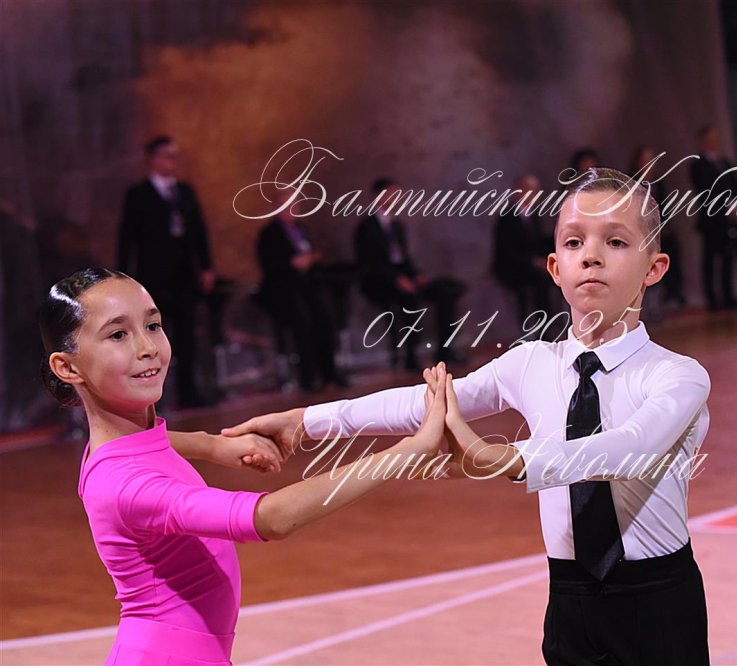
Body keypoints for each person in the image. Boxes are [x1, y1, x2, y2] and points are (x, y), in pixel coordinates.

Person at [226, 168, 712, 664]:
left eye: (615, 241)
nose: (590, 255)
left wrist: (507, 458)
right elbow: (423, 404)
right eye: (573, 242)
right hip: (569, 600)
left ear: (654, 268)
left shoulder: (678, 375)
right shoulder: (530, 364)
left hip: (658, 601)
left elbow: (630, 448)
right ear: (554, 267)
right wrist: (305, 421)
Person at [39, 267, 447, 665]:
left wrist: (214, 446)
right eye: (118, 335)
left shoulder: (113, 452)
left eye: (153, 325)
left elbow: (149, 448)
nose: (147, 347)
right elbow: (271, 518)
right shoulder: (125, 486)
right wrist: (409, 452)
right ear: (67, 367)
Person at [117, 136, 215, 407]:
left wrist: (206, 266)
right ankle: (151, 395)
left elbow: (199, 232)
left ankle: (188, 391)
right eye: (167, 156)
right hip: (153, 277)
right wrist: (122, 278)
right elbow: (127, 238)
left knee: (186, 335)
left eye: (175, 156)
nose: (173, 162)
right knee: (152, 336)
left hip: (184, 275)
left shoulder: (184, 191)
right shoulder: (138, 195)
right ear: (153, 159)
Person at [354, 178, 466, 370]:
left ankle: (445, 351)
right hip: (380, 282)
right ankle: (411, 358)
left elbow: (403, 259)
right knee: (410, 300)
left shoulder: (397, 226)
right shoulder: (367, 227)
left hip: (403, 277)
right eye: (390, 194)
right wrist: (397, 279)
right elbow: (371, 263)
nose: (395, 199)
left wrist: (416, 275)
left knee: (446, 293)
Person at [257, 197, 349, 391]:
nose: (292, 209)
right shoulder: (269, 234)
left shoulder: (301, 229)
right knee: (303, 324)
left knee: (325, 320)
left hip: (306, 286)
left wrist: (311, 259)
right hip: (284, 289)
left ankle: (329, 373)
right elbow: (269, 267)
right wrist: (292, 263)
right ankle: (308, 377)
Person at [491, 173, 555, 335]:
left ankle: (548, 327)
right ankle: (539, 332)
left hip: (529, 264)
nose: (534, 195)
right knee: (539, 281)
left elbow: (537, 243)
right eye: (530, 190)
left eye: (536, 191)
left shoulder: (533, 215)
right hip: (512, 267)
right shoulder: (507, 217)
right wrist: (533, 261)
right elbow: (506, 252)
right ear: (519, 191)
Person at [691, 124, 737, 310]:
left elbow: (735, 186)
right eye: (710, 139)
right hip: (711, 219)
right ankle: (711, 298)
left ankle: (728, 295)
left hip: (727, 218)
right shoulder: (698, 165)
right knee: (710, 258)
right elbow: (704, 189)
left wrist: (733, 206)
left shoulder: (724, 162)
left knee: (728, 256)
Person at [631, 145, 686, 307]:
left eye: (651, 160)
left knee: (671, 250)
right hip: (641, 232)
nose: (649, 164)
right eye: (645, 160)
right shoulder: (633, 184)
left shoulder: (658, 183)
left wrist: (665, 226)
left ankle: (672, 293)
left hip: (660, 231)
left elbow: (664, 208)